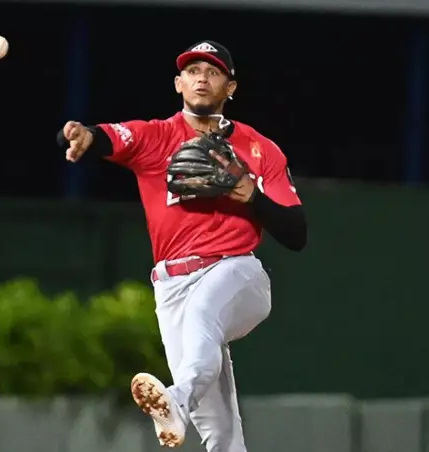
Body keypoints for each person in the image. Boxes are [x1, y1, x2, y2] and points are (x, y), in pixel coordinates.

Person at [57, 40, 307, 451]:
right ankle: (183, 399)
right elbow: (108, 137)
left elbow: (296, 233)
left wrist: (252, 196)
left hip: (237, 272)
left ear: (230, 87)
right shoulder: (156, 137)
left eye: (213, 72)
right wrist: (85, 136)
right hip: (171, 288)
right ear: (179, 84)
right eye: (192, 71)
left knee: (203, 317)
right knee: (221, 434)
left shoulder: (260, 149)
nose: (201, 79)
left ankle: (177, 397)